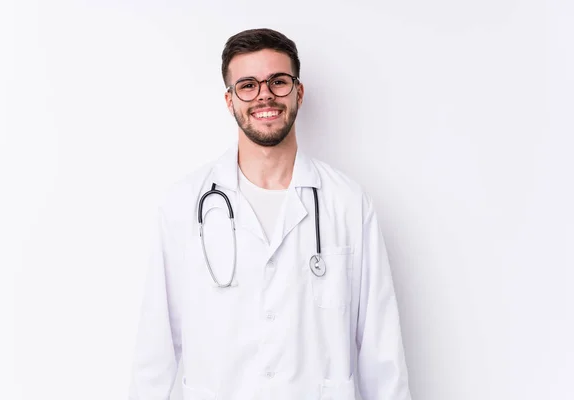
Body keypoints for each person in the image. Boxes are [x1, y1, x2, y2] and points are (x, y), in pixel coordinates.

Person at [128, 28, 412, 400]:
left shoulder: (347, 203)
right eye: (248, 85)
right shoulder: (184, 204)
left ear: (299, 92)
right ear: (230, 101)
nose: (264, 94)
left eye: (278, 81)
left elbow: (381, 348)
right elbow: (156, 349)